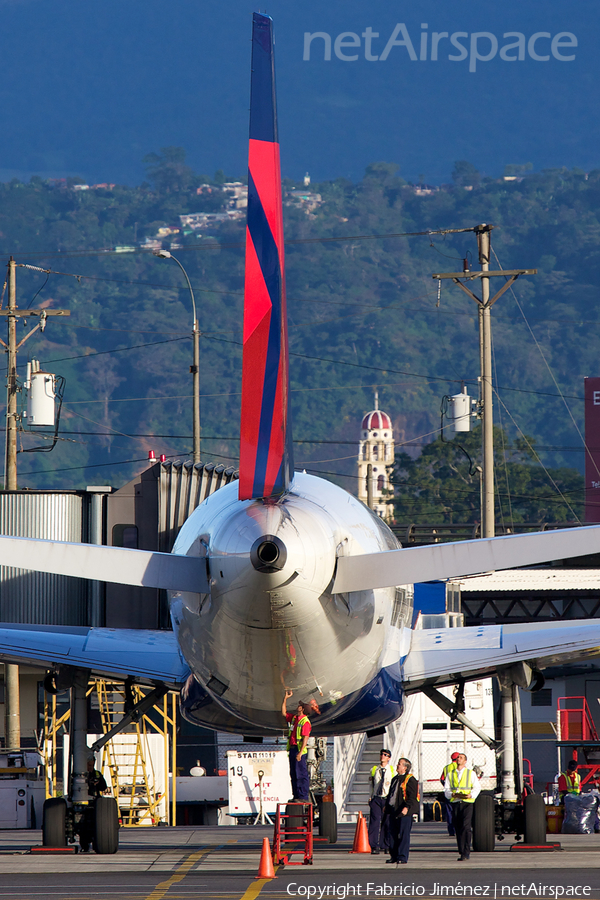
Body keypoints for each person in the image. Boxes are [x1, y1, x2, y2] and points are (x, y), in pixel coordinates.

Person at [444, 752, 480, 861]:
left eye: (461, 758)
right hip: (456, 802)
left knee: (466, 826)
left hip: (467, 802)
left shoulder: (471, 773)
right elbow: (446, 789)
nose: (458, 759)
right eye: (458, 757)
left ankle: (466, 851)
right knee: (458, 827)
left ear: (465, 761)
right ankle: (461, 850)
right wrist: (451, 794)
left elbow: (477, 787)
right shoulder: (450, 774)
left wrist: (471, 795)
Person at [384, 757, 419, 865]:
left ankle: (402, 856)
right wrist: (387, 806)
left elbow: (412, 797)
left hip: (404, 811)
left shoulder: (410, 779)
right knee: (392, 834)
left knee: (403, 835)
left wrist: (407, 807)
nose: (397, 766)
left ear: (405, 767)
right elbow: (391, 795)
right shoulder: (395, 779)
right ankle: (393, 855)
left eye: (399, 764)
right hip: (394, 810)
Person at [282, 689, 311, 801]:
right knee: (293, 773)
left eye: (300, 706)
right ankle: (296, 795)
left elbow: (305, 738)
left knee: (301, 774)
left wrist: (300, 752)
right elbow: (284, 713)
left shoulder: (305, 722)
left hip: (299, 751)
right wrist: (285, 699)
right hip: (293, 749)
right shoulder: (295, 718)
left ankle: (303, 796)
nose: (298, 706)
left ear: (303, 709)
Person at [368, 749, 395, 855]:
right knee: (374, 822)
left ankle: (385, 845)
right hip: (377, 797)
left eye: (385, 755)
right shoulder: (374, 769)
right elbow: (371, 784)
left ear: (389, 758)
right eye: (381, 754)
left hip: (386, 797)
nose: (382, 756)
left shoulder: (391, 770)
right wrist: (370, 797)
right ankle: (374, 845)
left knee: (387, 822)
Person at [79, 756, 109, 852]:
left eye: (92, 765)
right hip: (83, 803)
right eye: (89, 765)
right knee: (83, 825)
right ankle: (85, 845)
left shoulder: (97, 774)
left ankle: (97, 844)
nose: (91, 767)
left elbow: (103, 787)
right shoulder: (79, 775)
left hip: (95, 802)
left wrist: (98, 782)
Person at [440, 752, 460, 837]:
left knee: (449, 812)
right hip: (459, 793)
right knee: (459, 812)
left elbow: (442, 779)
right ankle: (458, 829)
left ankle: (451, 831)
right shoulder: (460, 767)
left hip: (449, 793)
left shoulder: (446, 767)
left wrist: (446, 786)